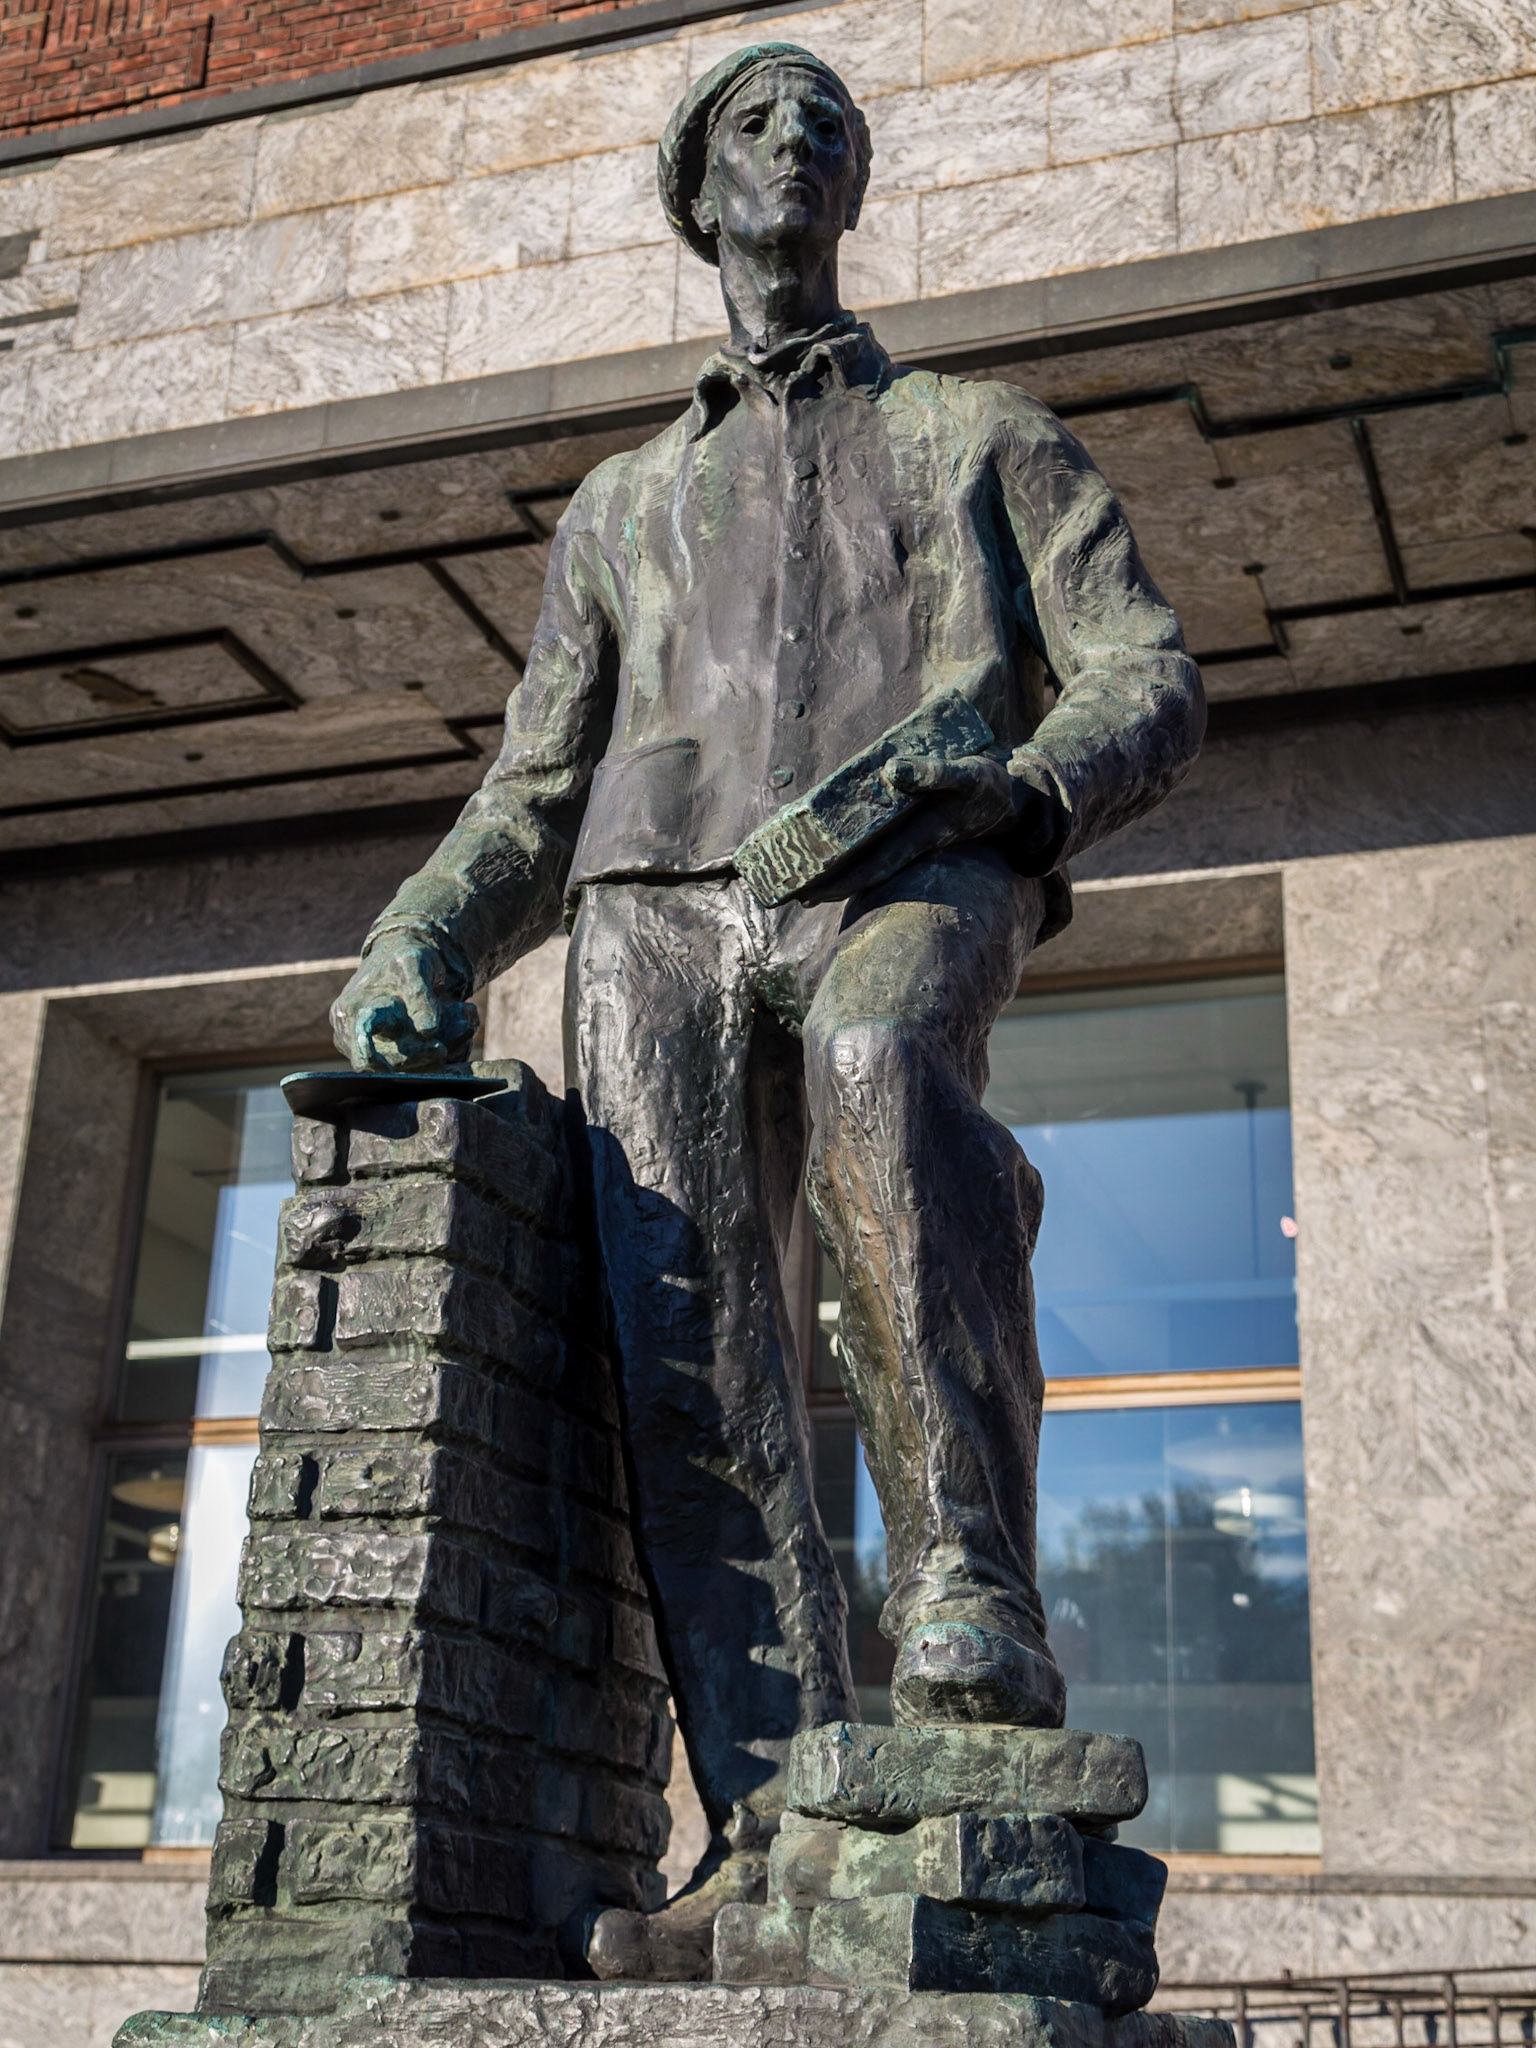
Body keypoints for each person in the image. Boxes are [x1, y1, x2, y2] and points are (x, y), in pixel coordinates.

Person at [330, 42, 1204, 1974]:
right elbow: (529, 792)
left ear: (857, 181)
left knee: (887, 1067)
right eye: (752, 119)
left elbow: (1148, 673)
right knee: (688, 1339)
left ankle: (968, 1582)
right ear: (696, 191)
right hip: (651, 906)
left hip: (909, 866)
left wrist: (1027, 791)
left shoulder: (980, 433)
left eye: (827, 118)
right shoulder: (620, 507)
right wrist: (423, 935)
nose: (793, 139)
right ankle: (767, 1809)